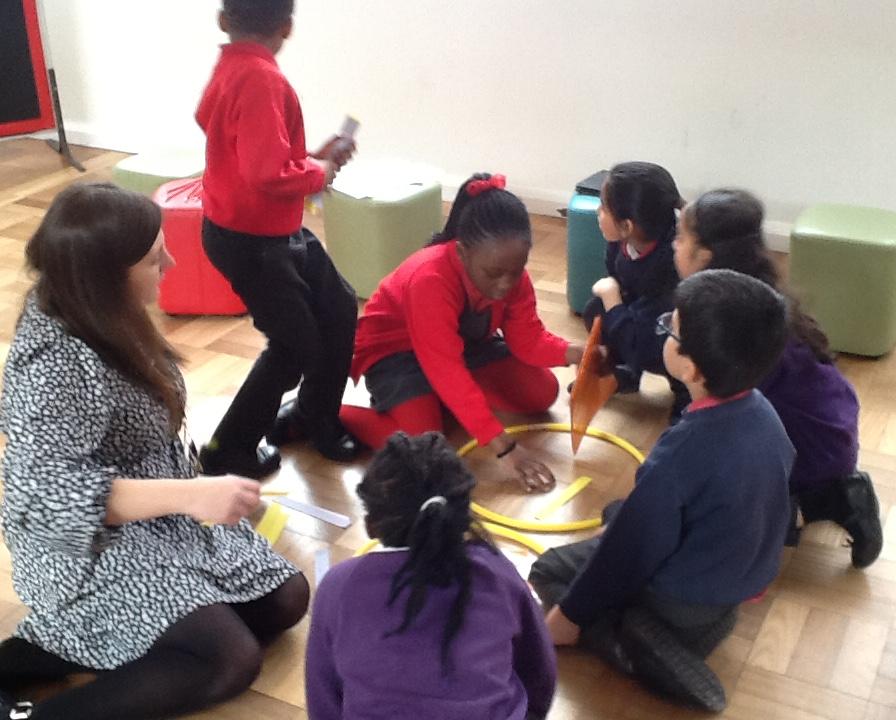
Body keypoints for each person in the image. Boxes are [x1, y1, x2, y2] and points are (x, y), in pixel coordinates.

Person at [0, 183, 308, 720]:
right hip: (82, 548)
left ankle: (95, 639)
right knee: (230, 659)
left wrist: (192, 494)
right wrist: (190, 496)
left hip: (155, 518)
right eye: (152, 259)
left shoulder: (103, 311)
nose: (170, 263)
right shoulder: (52, 363)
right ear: (104, 276)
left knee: (286, 598)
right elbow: (44, 499)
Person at [529, 270, 794, 712]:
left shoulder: (684, 449)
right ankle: (691, 628)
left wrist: (570, 617)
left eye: (671, 329)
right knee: (621, 512)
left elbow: (630, 551)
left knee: (549, 570)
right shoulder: (764, 413)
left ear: (689, 368)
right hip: (735, 583)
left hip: (681, 600)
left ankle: (629, 639)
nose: (665, 329)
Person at [672, 188, 883, 567]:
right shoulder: (752, 296)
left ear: (705, 256)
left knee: (714, 516)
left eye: (680, 238)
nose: (674, 246)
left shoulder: (736, 323)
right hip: (819, 430)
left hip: (812, 451)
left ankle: (833, 502)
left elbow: (727, 419)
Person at [195, 0, 360, 479]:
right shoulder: (262, 78)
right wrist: (319, 173)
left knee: (339, 307)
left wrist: (310, 159)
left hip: (267, 230)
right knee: (293, 347)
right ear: (287, 28)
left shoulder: (230, 68)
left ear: (223, 20)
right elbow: (266, 172)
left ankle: (312, 415)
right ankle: (226, 450)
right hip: (253, 241)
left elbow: (241, 144)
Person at [339, 173, 585, 493]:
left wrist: (576, 353)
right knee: (426, 450)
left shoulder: (509, 274)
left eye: (516, 271)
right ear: (462, 252)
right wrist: (505, 448)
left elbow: (528, 338)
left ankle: (448, 402)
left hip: (464, 345)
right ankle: (322, 413)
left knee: (542, 392)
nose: (505, 284)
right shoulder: (430, 279)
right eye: (494, 273)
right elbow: (446, 369)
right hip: (396, 354)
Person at [306, 431, 556, 720]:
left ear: (371, 526)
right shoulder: (495, 571)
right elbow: (539, 668)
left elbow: (323, 694)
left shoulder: (338, 585)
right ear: (461, 515)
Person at [584, 162, 687, 416]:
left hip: (670, 333)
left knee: (666, 349)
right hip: (643, 310)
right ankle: (627, 373)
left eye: (603, 207)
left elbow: (643, 344)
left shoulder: (669, 265)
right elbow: (619, 277)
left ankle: (687, 398)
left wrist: (613, 300)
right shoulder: (621, 241)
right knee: (595, 311)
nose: (597, 211)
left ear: (627, 226)